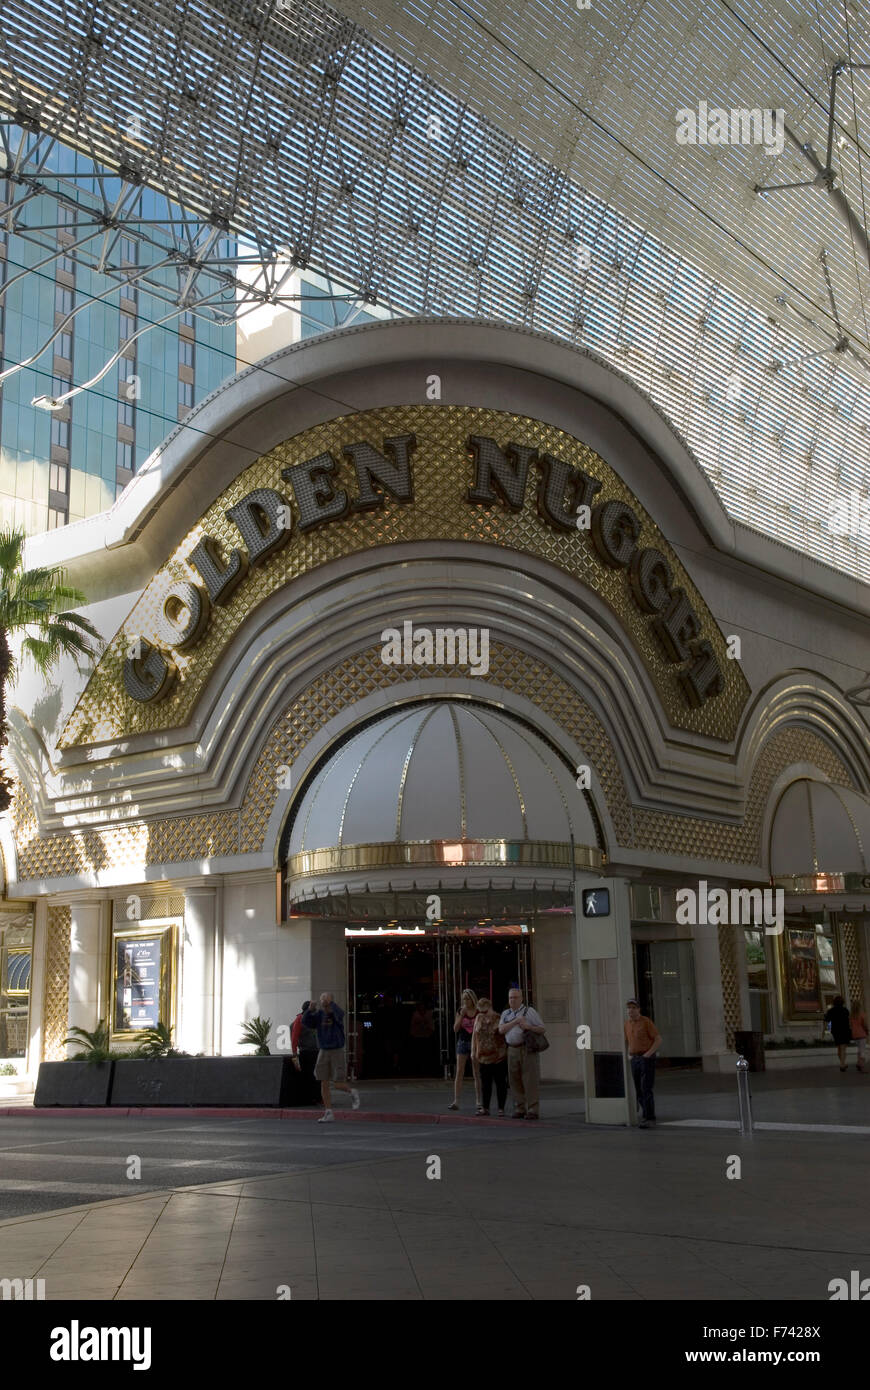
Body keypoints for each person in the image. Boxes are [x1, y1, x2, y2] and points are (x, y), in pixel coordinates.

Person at [302, 992, 360, 1121]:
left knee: (338, 1083)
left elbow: (339, 1015)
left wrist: (330, 1004)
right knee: (323, 1082)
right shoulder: (319, 1015)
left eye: (325, 998)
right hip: (323, 1050)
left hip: (337, 1049)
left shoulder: (336, 1012)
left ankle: (352, 1092)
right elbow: (306, 1022)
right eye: (322, 998)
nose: (323, 1000)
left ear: (331, 1000)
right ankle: (328, 1112)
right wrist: (309, 1010)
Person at [498, 987, 546, 1120]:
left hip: (526, 1049)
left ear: (521, 999)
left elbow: (542, 1028)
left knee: (530, 1079)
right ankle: (519, 1107)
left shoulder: (529, 1011)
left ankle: (532, 1109)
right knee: (514, 1080)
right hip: (512, 1049)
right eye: (510, 998)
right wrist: (516, 1021)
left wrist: (528, 1026)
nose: (512, 1000)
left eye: (515, 997)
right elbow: (501, 1030)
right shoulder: (505, 1013)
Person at [624, 999, 661, 1128]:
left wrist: (648, 1054)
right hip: (635, 1059)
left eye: (633, 1007)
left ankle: (650, 1118)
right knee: (639, 1089)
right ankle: (646, 1114)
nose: (631, 1010)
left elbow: (658, 1039)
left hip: (646, 1058)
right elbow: (629, 1041)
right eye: (629, 1008)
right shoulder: (627, 1024)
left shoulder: (646, 1022)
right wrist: (629, 1054)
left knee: (646, 1088)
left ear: (638, 1009)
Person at [472, 997, 508, 1116]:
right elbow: (475, 1035)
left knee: (500, 1082)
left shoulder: (498, 1017)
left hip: (498, 1055)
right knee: (485, 1083)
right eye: (480, 1011)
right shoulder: (478, 1018)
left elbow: (500, 1033)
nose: (483, 1014)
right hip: (483, 1056)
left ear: (490, 1007)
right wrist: (474, 1050)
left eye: (485, 1011)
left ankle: (501, 1108)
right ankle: (485, 1107)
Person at [448, 989, 480, 1111]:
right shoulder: (461, 1011)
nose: (465, 1001)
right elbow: (455, 1029)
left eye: (467, 998)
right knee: (459, 1071)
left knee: (476, 1072)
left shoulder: (478, 1012)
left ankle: (478, 1101)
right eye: (463, 999)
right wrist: (461, 1015)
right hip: (463, 1042)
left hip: (475, 1043)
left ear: (472, 999)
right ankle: (456, 1100)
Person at [290, 1000, 321, 1102]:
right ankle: (311, 1097)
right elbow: (295, 1037)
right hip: (306, 1052)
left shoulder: (313, 1018)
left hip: (316, 1051)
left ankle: (317, 1096)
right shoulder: (299, 1019)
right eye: (312, 1009)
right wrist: (294, 1053)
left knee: (316, 1075)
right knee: (309, 1075)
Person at [825, 995, 852, 1072]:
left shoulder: (831, 1011)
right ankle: (842, 1064)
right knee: (843, 1047)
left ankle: (842, 1063)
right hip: (844, 1030)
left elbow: (827, 1020)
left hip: (836, 1031)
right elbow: (848, 1020)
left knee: (839, 1048)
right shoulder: (845, 1010)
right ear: (842, 1002)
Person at [408, 997, 435, 1075]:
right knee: (418, 1054)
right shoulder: (415, 1014)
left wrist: (428, 1029)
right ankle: (418, 1069)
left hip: (427, 1037)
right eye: (420, 1005)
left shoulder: (429, 1013)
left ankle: (427, 1069)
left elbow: (431, 1025)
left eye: (422, 1005)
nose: (421, 1007)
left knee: (426, 1054)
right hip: (417, 1037)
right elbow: (412, 1025)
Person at [849, 1000, 868, 1073]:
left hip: (855, 1035)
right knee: (862, 1050)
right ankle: (862, 1066)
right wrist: (867, 1030)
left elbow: (850, 1025)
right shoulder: (862, 1014)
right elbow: (865, 1025)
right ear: (860, 1007)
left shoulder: (851, 1016)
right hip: (862, 1034)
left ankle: (858, 1063)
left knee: (859, 1050)